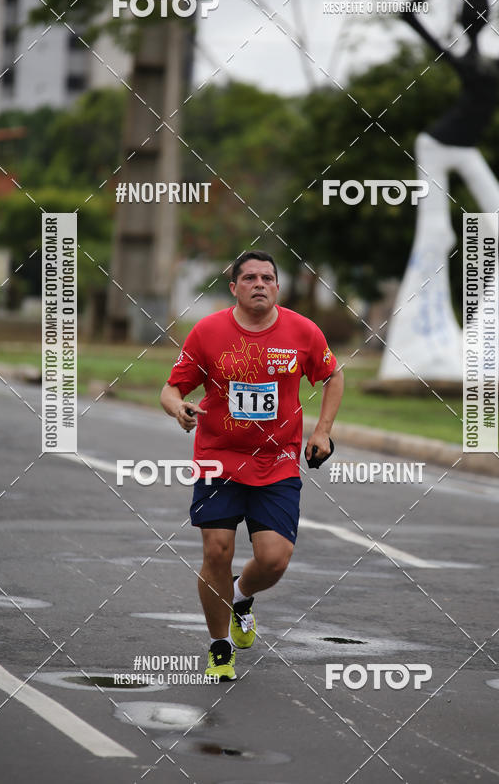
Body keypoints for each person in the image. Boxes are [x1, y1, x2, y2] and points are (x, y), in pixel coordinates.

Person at [160, 250, 344, 680]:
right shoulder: (208, 332)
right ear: (234, 288)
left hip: (276, 462)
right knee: (217, 551)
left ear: (277, 286)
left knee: (274, 559)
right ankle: (219, 646)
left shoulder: (302, 331)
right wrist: (177, 408)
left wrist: (322, 432)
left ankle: (240, 596)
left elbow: (333, 376)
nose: (259, 284)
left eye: (267, 278)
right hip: (218, 458)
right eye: (249, 278)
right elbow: (171, 388)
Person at [380, 0, 499, 383]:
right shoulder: (464, 60)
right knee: (436, 237)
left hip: (465, 149)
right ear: (469, 19)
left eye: (483, 11)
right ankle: (423, 345)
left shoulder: (492, 61)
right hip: (435, 147)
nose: (480, 17)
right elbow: (408, 12)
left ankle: (488, 348)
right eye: (476, 11)